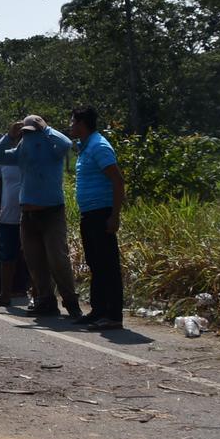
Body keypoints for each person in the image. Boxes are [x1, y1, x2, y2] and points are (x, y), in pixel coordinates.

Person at [0, 115, 80, 318]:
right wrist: (8, 136)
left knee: (57, 258)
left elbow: (67, 143)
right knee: (35, 261)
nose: (28, 135)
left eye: (32, 131)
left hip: (52, 211)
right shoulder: (22, 150)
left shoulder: (52, 147)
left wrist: (46, 128)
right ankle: (45, 301)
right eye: (25, 132)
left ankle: (71, 302)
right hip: (28, 213)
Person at [68, 106, 126, 331]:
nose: (71, 126)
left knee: (108, 265)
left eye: (73, 122)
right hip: (90, 213)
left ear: (82, 123)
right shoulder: (86, 146)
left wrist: (114, 215)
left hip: (102, 213)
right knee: (96, 263)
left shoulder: (99, 146)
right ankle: (99, 310)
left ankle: (113, 315)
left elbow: (118, 181)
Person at [0, 131, 30, 308]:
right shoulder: (5, 158)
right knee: (6, 257)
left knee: (30, 255)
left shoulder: (33, 156)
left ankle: (33, 292)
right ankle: (5, 294)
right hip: (7, 214)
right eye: (19, 135)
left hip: (29, 214)